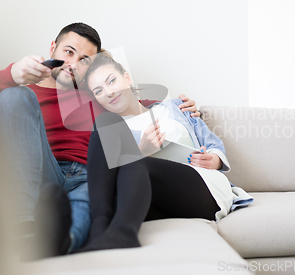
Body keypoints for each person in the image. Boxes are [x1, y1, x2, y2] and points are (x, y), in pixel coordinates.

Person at [0, 23, 199, 258]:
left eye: (84, 60)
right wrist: (12, 74)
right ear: (53, 48)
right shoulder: (27, 95)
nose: (73, 64)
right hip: (41, 171)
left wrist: (181, 108)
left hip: (90, 176)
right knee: (13, 95)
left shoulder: (98, 95)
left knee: (84, 208)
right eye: (68, 52)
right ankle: (23, 229)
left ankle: (61, 243)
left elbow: (137, 107)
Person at [76, 52, 252, 252]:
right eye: (98, 91)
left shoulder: (176, 107)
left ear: (127, 78)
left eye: (112, 81)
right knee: (105, 125)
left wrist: (213, 160)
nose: (108, 92)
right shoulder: (114, 130)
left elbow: (213, 144)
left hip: (202, 189)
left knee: (134, 161)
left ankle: (123, 233)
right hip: (156, 198)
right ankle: (99, 229)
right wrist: (142, 150)